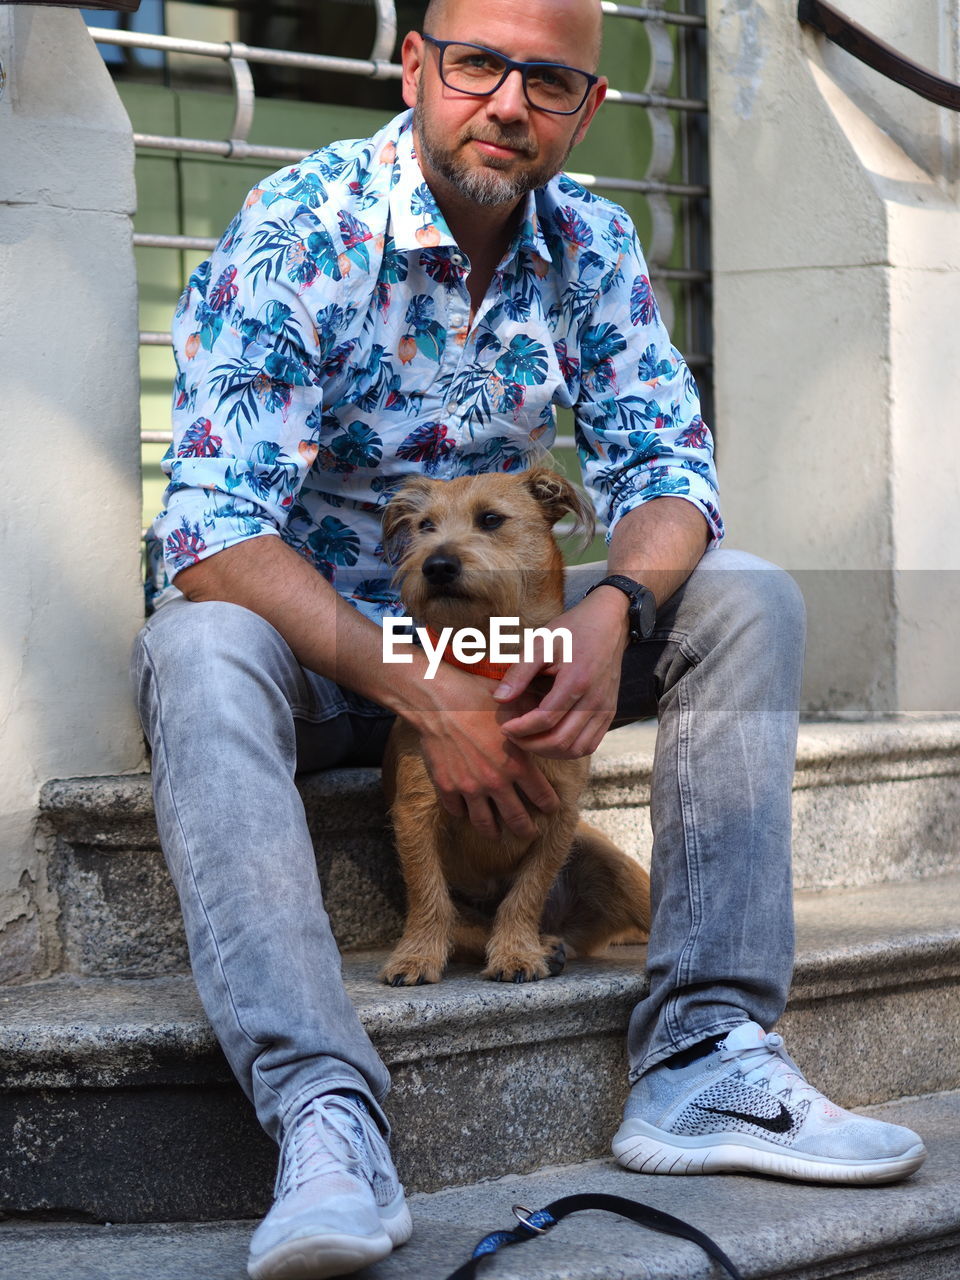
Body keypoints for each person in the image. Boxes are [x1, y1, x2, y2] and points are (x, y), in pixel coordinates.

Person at [133, 1, 926, 1277]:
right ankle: (324, 1111)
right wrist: (423, 689)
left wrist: (613, 612)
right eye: (478, 63)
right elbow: (213, 530)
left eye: (548, 80)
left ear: (587, 106)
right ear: (416, 67)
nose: (508, 101)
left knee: (749, 591)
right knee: (197, 643)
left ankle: (704, 1050)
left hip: (528, 646)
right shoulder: (304, 225)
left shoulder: (594, 244)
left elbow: (671, 473)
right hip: (335, 659)